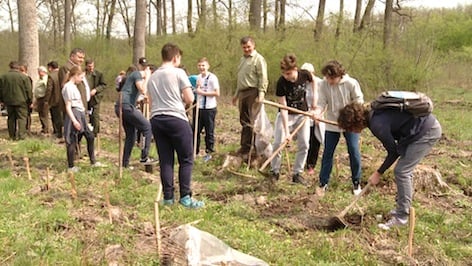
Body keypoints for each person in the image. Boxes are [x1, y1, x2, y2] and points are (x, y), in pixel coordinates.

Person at [337, 102, 442, 230]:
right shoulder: (373, 115)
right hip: (418, 130)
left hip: (426, 132)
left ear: (355, 122)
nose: (350, 132)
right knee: (403, 170)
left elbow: (394, 152)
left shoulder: (377, 124)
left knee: (402, 171)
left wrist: (378, 172)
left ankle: (401, 217)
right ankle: (401, 209)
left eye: (349, 128)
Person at [147, 42, 204, 209]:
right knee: (186, 158)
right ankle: (185, 197)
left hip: (157, 119)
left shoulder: (153, 76)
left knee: (166, 160)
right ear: (175, 57)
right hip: (176, 118)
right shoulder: (178, 73)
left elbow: (150, 101)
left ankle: (168, 198)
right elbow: (189, 99)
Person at [316, 60, 364, 196]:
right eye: (327, 78)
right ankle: (323, 183)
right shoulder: (323, 85)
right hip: (332, 123)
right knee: (327, 153)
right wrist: (317, 113)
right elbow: (321, 102)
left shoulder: (351, 83)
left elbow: (359, 100)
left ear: (339, 75)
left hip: (350, 124)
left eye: (332, 78)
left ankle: (356, 182)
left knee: (354, 151)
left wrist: (352, 116)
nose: (329, 81)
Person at [268, 54, 317, 185]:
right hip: (286, 115)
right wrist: (287, 131)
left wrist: (315, 101)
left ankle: (297, 174)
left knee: (305, 144)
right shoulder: (281, 82)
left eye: (289, 73)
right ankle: (275, 172)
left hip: (302, 114)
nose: (286, 76)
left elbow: (314, 81)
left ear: (295, 68)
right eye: (284, 73)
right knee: (278, 143)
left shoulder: (304, 74)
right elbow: (283, 107)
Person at [232, 36, 268, 161]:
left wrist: (261, 94)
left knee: (252, 121)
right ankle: (244, 146)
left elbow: (262, 77)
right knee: (244, 121)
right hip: (243, 93)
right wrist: (236, 95)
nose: (246, 49)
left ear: (253, 45)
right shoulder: (242, 59)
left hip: (253, 92)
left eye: (248, 47)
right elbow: (240, 79)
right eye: (244, 47)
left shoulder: (259, 59)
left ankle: (252, 148)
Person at [62, 66, 104, 172]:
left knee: (90, 136)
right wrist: (74, 121)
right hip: (74, 113)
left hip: (80, 113)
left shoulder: (74, 86)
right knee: (71, 139)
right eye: (81, 77)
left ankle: (93, 161)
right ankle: (71, 166)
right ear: (75, 76)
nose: (81, 80)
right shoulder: (68, 87)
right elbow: (68, 106)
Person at [115, 57, 154, 168]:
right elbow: (142, 89)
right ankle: (144, 157)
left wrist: (141, 99)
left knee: (131, 136)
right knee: (147, 127)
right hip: (126, 106)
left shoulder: (133, 77)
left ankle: (125, 164)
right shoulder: (136, 74)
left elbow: (132, 93)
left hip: (121, 105)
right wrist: (147, 78)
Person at [193, 57, 220, 162]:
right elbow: (197, 90)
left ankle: (209, 153)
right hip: (198, 107)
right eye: (199, 65)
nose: (201, 67)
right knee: (195, 130)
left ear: (208, 66)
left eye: (203, 65)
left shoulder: (213, 78)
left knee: (209, 131)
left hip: (209, 108)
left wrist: (202, 93)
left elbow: (217, 93)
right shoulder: (198, 77)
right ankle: (194, 151)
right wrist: (197, 89)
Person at [300, 62, 324, 175]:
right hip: (305, 114)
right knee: (305, 139)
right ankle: (302, 162)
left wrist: (319, 113)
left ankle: (311, 165)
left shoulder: (320, 83)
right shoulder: (300, 83)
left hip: (317, 114)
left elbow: (325, 100)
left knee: (315, 140)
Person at [0, 61, 33, 140]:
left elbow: (0, 90)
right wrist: (30, 100)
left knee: (11, 118)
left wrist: (1, 100)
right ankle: (22, 135)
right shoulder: (24, 77)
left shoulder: (3, 77)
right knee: (22, 118)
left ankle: (12, 135)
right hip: (22, 101)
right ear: (18, 67)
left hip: (8, 101)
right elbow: (28, 90)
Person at [85, 58, 107, 137]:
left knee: (95, 115)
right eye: (89, 66)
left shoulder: (99, 74)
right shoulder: (83, 74)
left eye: (92, 66)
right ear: (86, 66)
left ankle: (95, 132)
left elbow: (103, 85)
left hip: (95, 98)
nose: (91, 68)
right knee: (87, 114)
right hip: (85, 98)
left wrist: (96, 90)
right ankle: (87, 130)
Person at [47, 61, 63, 139]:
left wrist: (46, 100)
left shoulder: (51, 76)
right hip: (63, 99)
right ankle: (62, 132)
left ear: (50, 67)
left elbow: (49, 89)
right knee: (62, 116)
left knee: (55, 117)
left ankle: (57, 132)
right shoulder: (62, 74)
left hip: (54, 100)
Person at [33, 66, 51, 134]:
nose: (38, 73)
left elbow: (47, 88)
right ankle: (44, 128)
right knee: (41, 114)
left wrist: (46, 99)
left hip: (43, 98)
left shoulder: (45, 79)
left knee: (44, 114)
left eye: (39, 71)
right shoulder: (40, 79)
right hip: (39, 98)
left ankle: (46, 129)